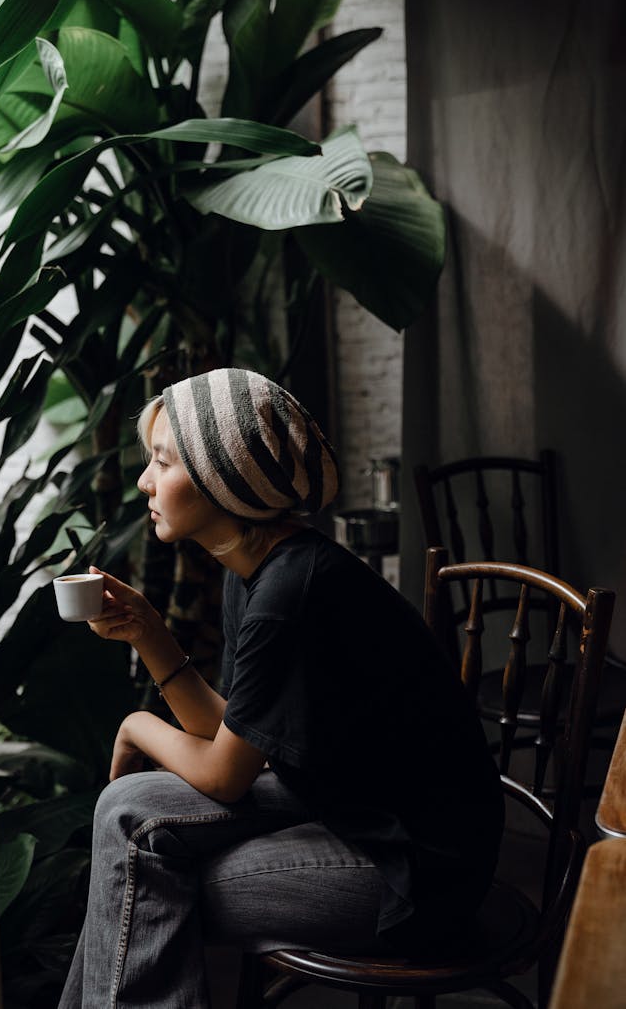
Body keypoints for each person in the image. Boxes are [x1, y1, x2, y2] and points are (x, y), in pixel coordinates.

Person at [58, 367, 504, 1009]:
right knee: (126, 814)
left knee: (136, 875)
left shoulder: (290, 591)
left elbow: (223, 777)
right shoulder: (259, 570)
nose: (144, 481)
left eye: (162, 461)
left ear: (223, 478)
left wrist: (136, 725)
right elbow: (233, 737)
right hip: (343, 805)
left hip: (417, 868)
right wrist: (149, 634)